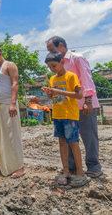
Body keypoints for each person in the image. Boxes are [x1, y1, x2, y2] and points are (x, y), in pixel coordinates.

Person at [47, 36, 103, 178]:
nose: (50, 53)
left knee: (89, 136)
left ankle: (94, 166)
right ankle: (72, 167)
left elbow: (86, 79)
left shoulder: (77, 58)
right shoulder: (57, 65)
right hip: (67, 107)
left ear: (61, 46)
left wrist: (88, 100)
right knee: (70, 138)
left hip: (83, 105)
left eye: (52, 49)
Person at [42, 51, 89, 187]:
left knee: (73, 143)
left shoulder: (71, 76)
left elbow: (79, 95)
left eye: (54, 66)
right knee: (62, 143)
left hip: (70, 115)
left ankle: (80, 172)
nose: (52, 69)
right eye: (50, 67)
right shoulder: (52, 79)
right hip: (57, 115)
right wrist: (50, 93)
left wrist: (60, 91)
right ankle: (66, 171)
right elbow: (54, 97)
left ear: (62, 62)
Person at [0, 46, 25, 178]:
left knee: (12, 135)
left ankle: (19, 167)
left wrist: (13, 103)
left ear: (0, 53)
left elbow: (15, 84)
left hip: (8, 104)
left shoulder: (9, 65)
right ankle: (3, 163)